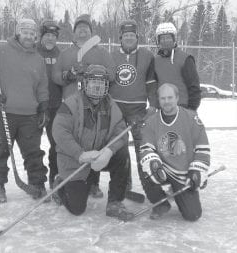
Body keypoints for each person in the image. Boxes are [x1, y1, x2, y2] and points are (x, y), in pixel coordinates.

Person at [0, 18, 49, 203]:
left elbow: (42, 87)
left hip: (29, 115)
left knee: (33, 152)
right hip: (3, 112)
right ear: (18, 33)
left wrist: (43, 107)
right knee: (0, 151)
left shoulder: (38, 59)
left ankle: (37, 185)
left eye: (32, 33)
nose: (28, 36)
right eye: (25, 32)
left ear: (36, 37)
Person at [51, 64, 134, 221]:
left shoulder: (111, 106)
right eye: (93, 82)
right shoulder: (70, 104)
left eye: (101, 83)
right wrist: (80, 154)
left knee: (122, 153)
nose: (97, 86)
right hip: (76, 160)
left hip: (98, 156)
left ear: (106, 86)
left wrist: (109, 151)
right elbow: (59, 132)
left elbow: (121, 132)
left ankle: (115, 202)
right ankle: (61, 185)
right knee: (77, 209)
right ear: (85, 84)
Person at [52, 14, 115, 198]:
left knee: (95, 144)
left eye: (86, 28)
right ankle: (62, 179)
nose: (82, 30)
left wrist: (92, 71)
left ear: (91, 32)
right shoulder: (65, 54)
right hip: (71, 108)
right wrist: (69, 74)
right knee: (70, 145)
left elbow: (112, 74)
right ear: (74, 33)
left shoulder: (101, 53)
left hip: (94, 107)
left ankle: (93, 183)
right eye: (79, 28)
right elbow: (55, 76)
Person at [139, 83, 210, 221]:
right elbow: (146, 148)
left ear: (177, 98)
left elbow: (203, 148)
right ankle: (161, 203)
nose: (166, 101)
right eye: (163, 98)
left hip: (183, 173)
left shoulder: (192, 118)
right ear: (159, 100)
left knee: (193, 215)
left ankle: (177, 192)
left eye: (170, 97)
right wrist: (152, 162)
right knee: (146, 170)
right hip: (162, 169)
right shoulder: (151, 122)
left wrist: (197, 171)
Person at [109, 19, 158, 191]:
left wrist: (153, 104)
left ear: (137, 37)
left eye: (132, 35)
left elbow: (151, 83)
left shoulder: (147, 56)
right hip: (116, 111)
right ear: (120, 37)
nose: (129, 38)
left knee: (142, 149)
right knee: (120, 150)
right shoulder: (112, 56)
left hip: (138, 111)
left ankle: (149, 186)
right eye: (125, 35)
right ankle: (124, 185)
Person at [37, 19, 62, 189]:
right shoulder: (32, 52)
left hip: (55, 107)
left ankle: (55, 177)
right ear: (41, 36)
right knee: (32, 147)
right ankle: (37, 181)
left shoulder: (61, 54)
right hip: (35, 107)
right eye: (47, 35)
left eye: (53, 36)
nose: (50, 39)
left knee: (56, 144)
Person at [154, 22, 201, 111]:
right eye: (162, 38)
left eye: (168, 38)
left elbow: (194, 87)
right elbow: (153, 87)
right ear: (158, 41)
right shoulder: (155, 61)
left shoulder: (185, 59)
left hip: (182, 108)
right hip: (163, 109)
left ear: (174, 39)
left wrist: (191, 109)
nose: (165, 41)